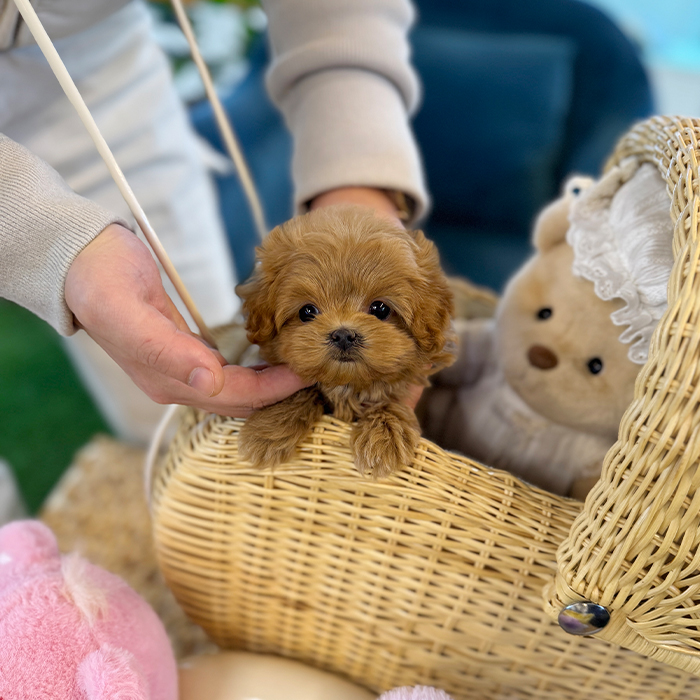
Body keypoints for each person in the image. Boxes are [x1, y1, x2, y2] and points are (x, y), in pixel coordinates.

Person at [0, 0, 428, 443]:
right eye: (308, 312)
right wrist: (54, 243)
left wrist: (357, 178)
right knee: (174, 403)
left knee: (192, 390)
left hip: (92, 55)